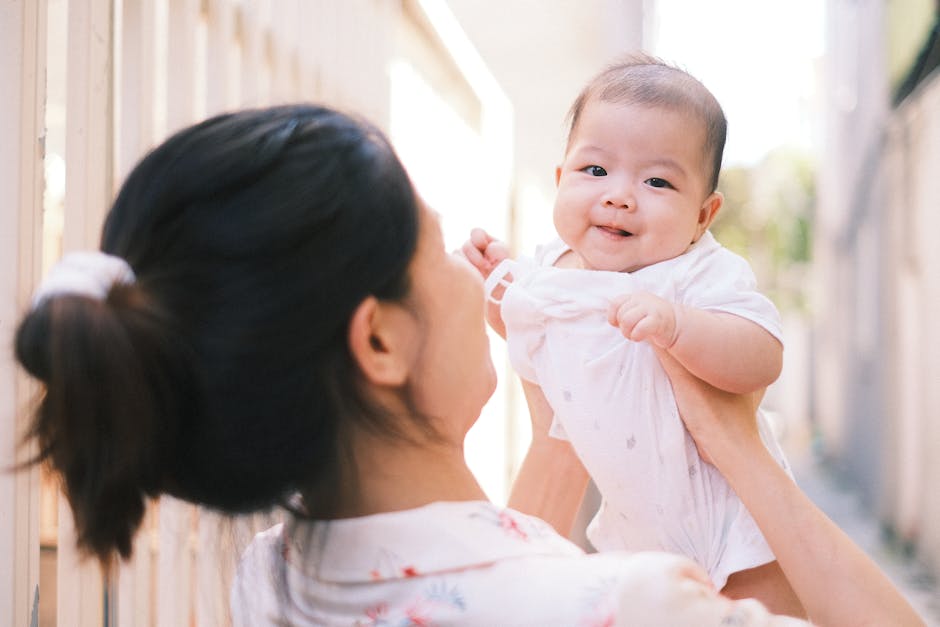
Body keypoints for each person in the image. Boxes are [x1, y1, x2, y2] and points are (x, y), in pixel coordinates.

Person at [13, 104, 922, 626]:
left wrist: (568, 405)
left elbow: (471, 577)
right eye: (436, 242)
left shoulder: (275, 577)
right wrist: (742, 452)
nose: (465, 264)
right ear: (378, 341)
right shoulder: (633, 605)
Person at [462, 53, 796, 614]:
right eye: (595, 171)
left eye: (658, 180)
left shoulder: (696, 273)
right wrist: (499, 284)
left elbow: (763, 355)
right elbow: (529, 341)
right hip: (637, 533)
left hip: (739, 528)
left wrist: (682, 326)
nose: (619, 194)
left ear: (702, 217)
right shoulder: (551, 269)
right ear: (560, 179)